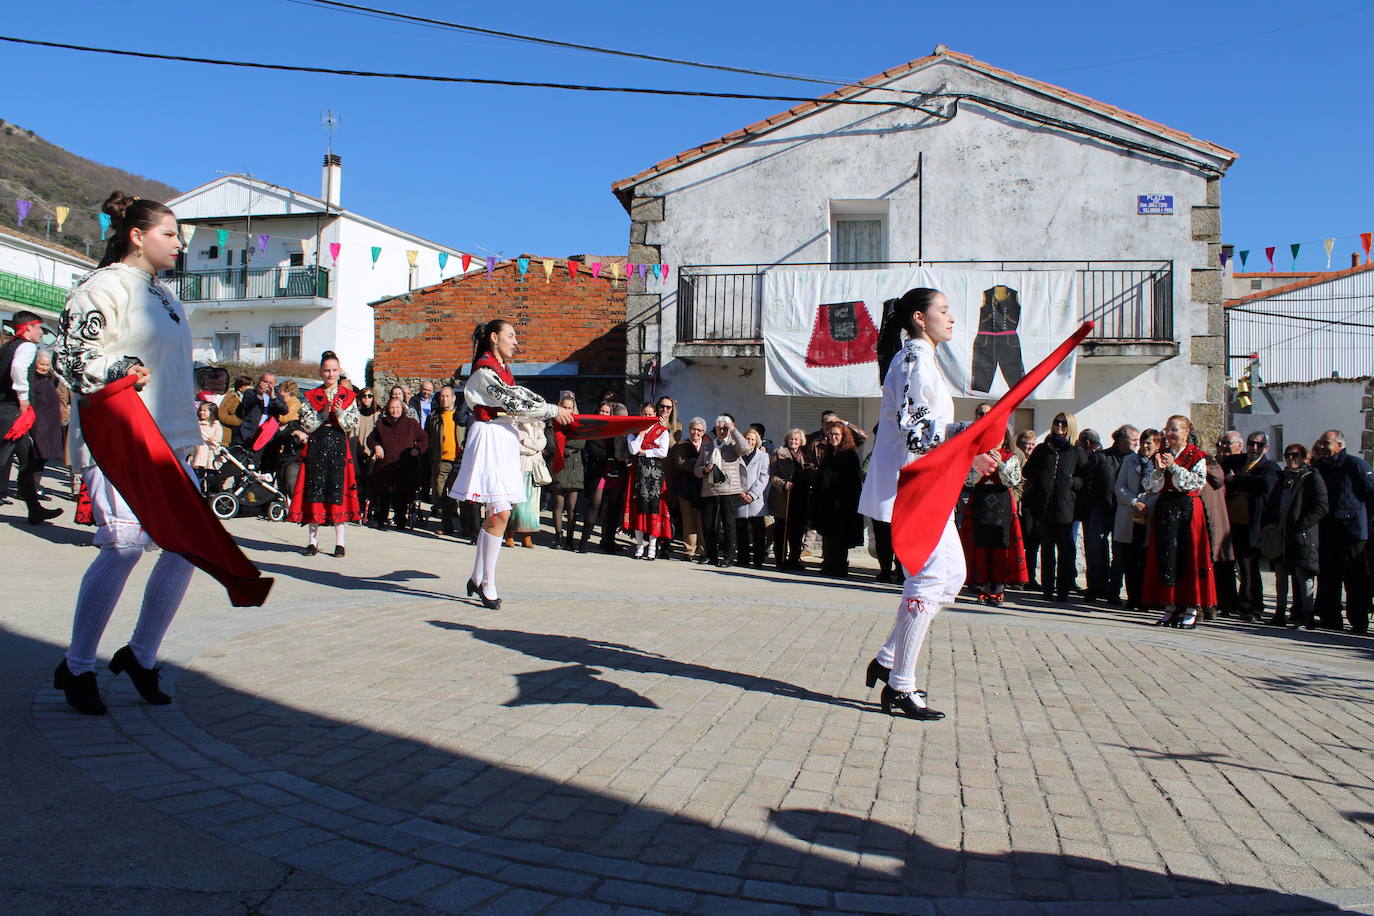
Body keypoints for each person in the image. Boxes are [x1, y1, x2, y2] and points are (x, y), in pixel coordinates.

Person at [50, 192, 198, 715]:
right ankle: (77, 665)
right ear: (137, 236)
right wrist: (122, 371)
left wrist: (190, 440)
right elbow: (71, 359)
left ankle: (140, 654)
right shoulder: (101, 287)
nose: (179, 244)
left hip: (171, 443)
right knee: (123, 547)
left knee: (186, 548)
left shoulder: (168, 298)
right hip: (123, 437)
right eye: (169, 233)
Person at [858, 287, 999, 722]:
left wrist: (969, 440)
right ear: (920, 318)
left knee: (952, 574)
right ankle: (900, 686)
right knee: (931, 577)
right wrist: (970, 436)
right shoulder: (914, 360)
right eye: (943, 310)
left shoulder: (922, 360)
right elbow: (917, 432)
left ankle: (886, 658)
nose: (952, 317)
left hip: (930, 485)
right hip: (913, 487)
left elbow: (930, 428)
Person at [449, 320, 572, 608]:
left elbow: (520, 401)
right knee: (500, 513)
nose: (516, 341)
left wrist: (552, 412)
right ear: (494, 338)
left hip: (503, 436)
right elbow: (516, 402)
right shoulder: (484, 371)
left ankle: (478, 576)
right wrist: (553, 410)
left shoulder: (502, 370)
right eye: (511, 335)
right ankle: (487, 582)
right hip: (490, 436)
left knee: (499, 511)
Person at [1142, 415, 1216, 629]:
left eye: (1175, 429)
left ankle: (1192, 606)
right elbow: (1150, 485)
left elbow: (1195, 482)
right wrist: (1159, 470)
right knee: (1168, 556)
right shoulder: (1161, 455)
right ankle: (1171, 605)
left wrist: (1173, 467)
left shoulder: (1197, 456)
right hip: (1167, 508)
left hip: (1189, 509)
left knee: (1189, 557)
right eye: (1167, 429)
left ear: (1186, 432)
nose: (1170, 434)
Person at [288, 351, 362, 556]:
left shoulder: (349, 396)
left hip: (338, 447)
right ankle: (312, 540)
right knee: (315, 491)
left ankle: (340, 542)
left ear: (339, 371)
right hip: (317, 448)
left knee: (338, 492)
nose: (330, 374)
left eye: (334, 370)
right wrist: (322, 413)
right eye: (327, 370)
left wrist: (338, 413)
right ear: (321, 372)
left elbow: (352, 425)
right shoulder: (311, 396)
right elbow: (307, 424)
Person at [0, 311, 65, 524]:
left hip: (8, 409)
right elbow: (18, 369)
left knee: (27, 460)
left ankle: (34, 509)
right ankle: (34, 508)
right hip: (13, 411)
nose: (41, 333)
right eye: (39, 328)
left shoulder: (9, 346)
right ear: (28, 327)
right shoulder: (27, 346)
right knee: (2, 458)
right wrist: (23, 398)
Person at [1311, 429, 1374, 633]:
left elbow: (1371, 493)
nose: (1322, 446)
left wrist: (1368, 523)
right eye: (1321, 442)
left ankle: (1358, 621)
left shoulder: (1355, 465)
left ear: (1340, 445)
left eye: (1326, 443)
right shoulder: (1319, 466)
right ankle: (1330, 619)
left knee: (1356, 580)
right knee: (1329, 578)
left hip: (1353, 533)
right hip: (1328, 532)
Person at [1021, 412, 1086, 602]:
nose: (1059, 426)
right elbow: (1028, 470)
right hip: (1045, 506)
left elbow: (1085, 477)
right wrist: (1042, 478)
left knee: (1066, 551)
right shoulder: (1043, 449)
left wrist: (1071, 482)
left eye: (1063, 423)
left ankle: (1063, 589)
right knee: (1047, 550)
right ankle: (1048, 589)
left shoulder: (1076, 451)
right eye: (1056, 422)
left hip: (1066, 509)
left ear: (1070, 426)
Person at [960, 426, 1027, 606]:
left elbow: (1012, 480)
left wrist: (1000, 465)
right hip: (981, 502)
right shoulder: (979, 454)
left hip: (1001, 504)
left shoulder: (1010, 455)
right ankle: (983, 588)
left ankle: (998, 590)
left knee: (1000, 545)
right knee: (981, 545)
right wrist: (979, 463)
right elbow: (968, 480)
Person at [1268, 444, 1327, 628]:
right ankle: (1280, 613)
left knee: (1304, 576)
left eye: (1295, 455)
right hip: (1282, 535)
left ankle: (1307, 615)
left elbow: (1322, 506)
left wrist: (1303, 525)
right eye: (1287, 455)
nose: (1290, 459)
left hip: (1302, 535)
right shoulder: (1282, 478)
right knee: (1281, 575)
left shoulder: (1312, 477)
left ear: (1304, 457)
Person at [1224, 431, 1280, 621]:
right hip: (1231, 523)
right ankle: (1231, 603)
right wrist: (1244, 486)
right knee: (1231, 564)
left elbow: (1264, 486)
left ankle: (1253, 606)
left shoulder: (1270, 467)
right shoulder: (1235, 462)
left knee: (1249, 567)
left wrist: (1237, 481)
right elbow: (1224, 481)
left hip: (1252, 525)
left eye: (1259, 445)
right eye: (1251, 444)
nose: (1254, 448)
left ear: (1266, 448)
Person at [695, 415, 754, 567]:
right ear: (715, 429)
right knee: (708, 525)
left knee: (728, 525)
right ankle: (711, 556)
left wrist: (733, 430)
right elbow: (696, 469)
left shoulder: (733, 444)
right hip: (709, 490)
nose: (722, 431)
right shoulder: (707, 446)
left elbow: (746, 448)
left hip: (729, 490)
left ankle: (728, 557)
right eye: (719, 428)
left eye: (725, 428)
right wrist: (705, 469)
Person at [1088, 425, 1137, 604]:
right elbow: (1090, 482)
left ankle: (1113, 592)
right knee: (1096, 551)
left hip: (1123, 512)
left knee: (1119, 555)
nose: (1136, 443)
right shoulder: (1102, 457)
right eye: (1133, 439)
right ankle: (1095, 587)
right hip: (1101, 510)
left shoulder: (1134, 460)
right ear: (1121, 439)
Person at [1114, 428, 1160, 611]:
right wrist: (1135, 502)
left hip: (1150, 516)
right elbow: (1119, 486)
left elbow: (1161, 488)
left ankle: (1145, 598)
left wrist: (1148, 504)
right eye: (1143, 442)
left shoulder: (1160, 464)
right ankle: (1132, 597)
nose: (1145, 446)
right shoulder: (1129, 460)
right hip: (1130, 515)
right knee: (1129, 558)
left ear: (1157, 445)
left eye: (1149, 443)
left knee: (1145, 559)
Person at [367, 397, 429, 529]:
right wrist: (377, 446)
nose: (395, 410)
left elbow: (424, 439)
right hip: (385, 466)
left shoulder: (411, 424)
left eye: (397, 407)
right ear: (388, 410)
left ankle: (401, 519)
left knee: (402, 494)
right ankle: (380, 518)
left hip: (405, 466)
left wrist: (417, 450)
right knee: (384, 495)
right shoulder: (381, 423)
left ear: (402, 409)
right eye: (392, 408)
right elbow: (371, 439)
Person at [813, 421, 863, 577]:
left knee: (841, 536)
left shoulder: (849, 455)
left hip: (842, 504)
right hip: (827, 502)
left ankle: (840, 567)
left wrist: (840, 500)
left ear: (843, 436)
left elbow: (851, 482)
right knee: (828, 535)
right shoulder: (829, 453)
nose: (833, 437)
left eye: (836, 435)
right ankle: (829, 564)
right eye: (831, 434)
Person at [623, 410, 673, 560]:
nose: (647, 417)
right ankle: (639, 545)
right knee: (638, 509)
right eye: (644, 414)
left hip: (655, 475)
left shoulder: (662, 431)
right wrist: (642, 434)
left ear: (655, 415)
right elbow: (633, 449)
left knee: (653, 509)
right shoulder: (634, 431)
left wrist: (645, 452)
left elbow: (663, 452)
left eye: (650, 414)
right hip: (638, 474)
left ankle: (652, 546)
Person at [768, 428, 812, 571]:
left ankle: (794, 559)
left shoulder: (804, 455)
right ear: (787, 439)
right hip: (784, 497)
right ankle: (780, 559)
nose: (793, 441)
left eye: (796, 439)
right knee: (782, 529)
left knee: (797, 531)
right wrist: (783, 484)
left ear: (801, 442)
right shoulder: (778, 453)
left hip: (800, 497)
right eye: (791, 439)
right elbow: (772, 475)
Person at [545, 393, 584, 549]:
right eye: (564, 407)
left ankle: (570, 538)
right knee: (558, 504)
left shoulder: (579, 423)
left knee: (572, 507)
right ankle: (558, 536)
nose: (567, 410)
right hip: (558, 466)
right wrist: (565, 448)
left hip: (575, 468)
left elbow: (580, 443)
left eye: (570, 408)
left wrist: (562, 445)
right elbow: (550, 444)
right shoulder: (551, 423)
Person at [576, 401, 615, 553]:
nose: (604, 414)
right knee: (594, 506)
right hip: (598, 471)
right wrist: (611, 456)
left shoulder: (615, 428)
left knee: (611, 508)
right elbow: (592, 449)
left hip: (615, 473)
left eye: (607, 412)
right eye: (602, 411)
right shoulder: (592, 428)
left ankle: (608, 542)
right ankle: (583, 542)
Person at [503, 418, 547, 549]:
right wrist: (532, 448)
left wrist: (526, 442)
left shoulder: (538, 425)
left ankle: (527, 536)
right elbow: (515, 445)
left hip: (533, 470)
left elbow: (542, 443)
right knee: (516, 505)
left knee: (531, 506)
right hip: (519, 467)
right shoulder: (515, 425)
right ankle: (510, 534)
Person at [427, 385, 465, 537]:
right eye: (442, 396)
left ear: (454, 398)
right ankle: (446, 526)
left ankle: (466, 527)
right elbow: (428, 438)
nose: (444, 399)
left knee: (460, 496)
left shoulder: (461, 416)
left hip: (459, 461)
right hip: (441, 461)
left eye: (447, 396)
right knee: (441, 494)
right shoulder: (434, 418)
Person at [669, 416, 707, 562]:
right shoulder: (682, 445)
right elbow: (680, 462)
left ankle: (704, 551)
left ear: (703, 432)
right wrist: (701, 466)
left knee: (702, 521)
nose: (695, 432)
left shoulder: (707, 445)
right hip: (686, 488)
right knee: (688, 521)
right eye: (693, 429)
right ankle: (689, 551)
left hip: (703, 489)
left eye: (699, 430)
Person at [734, 426, 770, 568]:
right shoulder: (736, 454)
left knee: (758, 532)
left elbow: (764, 476)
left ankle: (758, 560)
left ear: (757, 441)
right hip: (740, 497)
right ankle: (743, 559)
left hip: (756, 499)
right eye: (747, 438)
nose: (749, 441)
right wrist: (740, 492)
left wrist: (752, 494)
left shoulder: (763, 456)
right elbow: (732, 475)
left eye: (752, 439)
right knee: (741, 531)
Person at [1013, 429, 1038, 588]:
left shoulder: (1036, 459)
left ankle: (1030, 576)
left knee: (1032, 542)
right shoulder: (1016, 458)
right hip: (1017, 504)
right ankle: (1017, 576)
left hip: (1030, 506)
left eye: (1032, 444)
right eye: (1026, 444)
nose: (1029, 447)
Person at [217, 375, 250, 447]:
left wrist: (220, 415)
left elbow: (237, 419)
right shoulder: (233, 398)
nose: (251, 388)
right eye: (248, 385)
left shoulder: (236, 399)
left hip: (225, 436)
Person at [192, 401, 223, 478]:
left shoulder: (215, 424)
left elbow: (219, 436)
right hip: (198, 451)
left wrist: (214, 439)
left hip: (209, 452)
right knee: (197, 471)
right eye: (200, 410)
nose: (201, 412)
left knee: (208, 473)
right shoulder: (197, 424)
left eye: (204, 411)